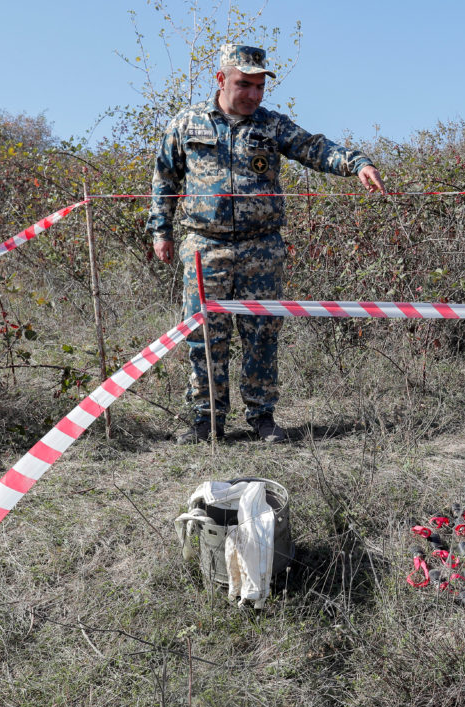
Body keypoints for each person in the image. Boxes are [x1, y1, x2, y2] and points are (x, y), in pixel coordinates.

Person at [147, 44, 386, 444]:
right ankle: (207, 421)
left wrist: (357, 163)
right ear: (221, 79)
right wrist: (161, 231)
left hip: (262, 248)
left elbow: (314, 148)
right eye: (245, 85)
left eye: (260, 87)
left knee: (262, 334)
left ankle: (262, 418)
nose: (254, 95)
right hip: (205, 247)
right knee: (205, 335)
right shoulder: (187, 123)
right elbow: (164, 179)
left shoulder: (271, 125)